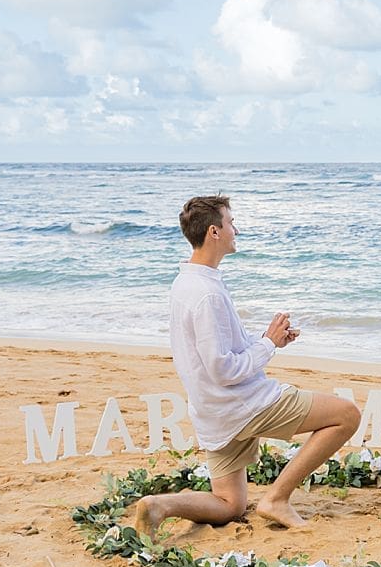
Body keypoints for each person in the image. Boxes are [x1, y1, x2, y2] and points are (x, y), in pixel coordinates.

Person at [134, 195, 361, 535]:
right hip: (243, 403)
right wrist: (268, 344)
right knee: (347, 415)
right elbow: (223, 368)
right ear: (214, 231)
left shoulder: (188, 282)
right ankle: (277, 499)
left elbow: (219, 350)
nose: (235, 229)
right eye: (230, 223)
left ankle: (160, 505)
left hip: (214, 411)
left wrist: (269, 339)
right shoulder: (206, 292)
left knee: (230, 505)